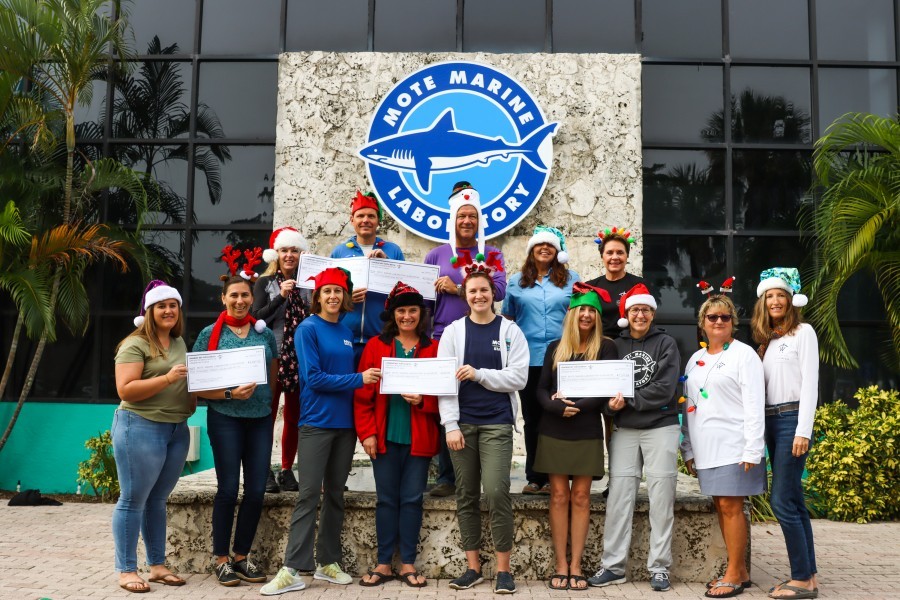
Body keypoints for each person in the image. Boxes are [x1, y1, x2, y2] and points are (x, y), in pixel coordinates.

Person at [262, 267, 381, 596]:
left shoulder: (344, 330)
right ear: (317, 296)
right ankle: (291, 568)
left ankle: (328, 562)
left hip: (346, 426)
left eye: (338, 291)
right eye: (326, 291)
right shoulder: (307, 329)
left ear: (345, 297)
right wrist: (360, 379)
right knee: (308, 495)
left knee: (335, 495)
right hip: (316, 424)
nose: (332, 296)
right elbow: (313, 378)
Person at [437, 267, 529, 594]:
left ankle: (503, 569)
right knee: (466, 495)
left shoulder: (509, 331)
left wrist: (480, 375)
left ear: (493, 294)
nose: (479, 296)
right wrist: (449, 425)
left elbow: (519, 378)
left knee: (495, 491)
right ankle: (473, 567)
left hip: (496, 423)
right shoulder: (453, 332)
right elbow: (445, 382)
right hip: (461, 425)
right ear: (465, 295)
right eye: (472, 291)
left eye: (484, 291)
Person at [192, 248, 278, 587]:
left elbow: (271, 376)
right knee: (228, 489)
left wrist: (262, 401)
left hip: (259, 419)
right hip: (225, 417)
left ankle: (242, 557)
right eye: (234, 296)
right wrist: (229, 394)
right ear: (224, 297)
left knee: (256, 491)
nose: (240, 301)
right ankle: (221, 559)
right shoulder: (209, 334)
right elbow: (197, 387)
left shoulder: (264, 333)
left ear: (251, 297)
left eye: (245, 295)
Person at [588, 284, 681, 593]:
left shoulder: (666, 343)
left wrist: (626, 400)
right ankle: (613, 567)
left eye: (645, 310)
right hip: (625, 430)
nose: (640, 315)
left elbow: (665, 389)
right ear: (626, 315)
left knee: (661, 498)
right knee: (618, 499)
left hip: (661, 427)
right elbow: (603, 389)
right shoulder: (614, 346)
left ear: (652, 313)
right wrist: (608, 405)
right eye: (635, 310)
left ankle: (659, 568)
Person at [680, 282, 765, 599]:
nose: (718, 322)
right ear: (702, 322)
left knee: (732, 507)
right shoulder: (694, 359)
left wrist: (753, 449)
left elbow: (755, 404)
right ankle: (740, 571)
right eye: (712, 317)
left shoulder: (744, 357)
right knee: (722, 506)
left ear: (733, 323)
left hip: (735, 446)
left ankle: (732, 573)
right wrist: (688, 448)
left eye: (724, 318)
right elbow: (688, 407)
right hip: (706, 448)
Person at [354, 282, 440, 588]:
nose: (407, 316)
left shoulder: (433, 349)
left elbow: (443, 396)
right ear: (393, 314)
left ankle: (406, 564)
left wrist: (424, 400)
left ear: (421, 313)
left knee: (413, 500)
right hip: (385, 437)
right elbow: (363, 396)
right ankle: (383, 563)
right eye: (401, 311)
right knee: (387, 500)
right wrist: (367, 434)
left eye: (412, 310)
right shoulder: (376, 347)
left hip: (419, 437)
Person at [425, 181, 507, 498]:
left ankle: (484, 470)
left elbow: (498, 290)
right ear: (453, 219)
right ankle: (446, 474)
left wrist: (457, 287)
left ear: (479, 220)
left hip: (483, 334)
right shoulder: (436, 254)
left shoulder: (493, 254)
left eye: (472, 216)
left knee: (479, 394)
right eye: (462, 216)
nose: (467, 222)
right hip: (444, 333)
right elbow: (424, 301)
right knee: (447, 399)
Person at [534, 282, 617, 591]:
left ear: (597, 316)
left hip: (585, 428)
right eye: (581, 309)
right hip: (555, 428)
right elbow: (541, 389)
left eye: (591, 311)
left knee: (581, 496)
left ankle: (577, 565)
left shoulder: (606, 347)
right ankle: (560, 564)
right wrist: (556, 408)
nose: (586, 315)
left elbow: (605, 389)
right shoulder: (555, 348)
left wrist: (577, 407)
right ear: (571, 314)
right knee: (558, 495)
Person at [112, 279, 191, 593]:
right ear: (149, 311)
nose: (169, 310)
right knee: (133, 501)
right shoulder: (134, 345)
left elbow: (188, 384)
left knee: (157, 500)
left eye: (173, 305)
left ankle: (157, 566)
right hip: (139, 426)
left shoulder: (179, 342)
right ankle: (126, 570)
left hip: (176, 429)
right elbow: (126, 389)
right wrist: (168, 377)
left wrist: (226, 392)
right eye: (162, 306)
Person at [750, 268, 820, 600]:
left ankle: (801, 579)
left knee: (780, 501)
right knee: (794, 500)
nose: (775, 301)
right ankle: (810, 574)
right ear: (763, 303)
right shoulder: (770, 340)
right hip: (771, 423)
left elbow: (810, 385)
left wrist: (803, 430)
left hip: (792, 419)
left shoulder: (803, 332)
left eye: (780, 295)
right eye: (769, 296)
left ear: (791, 301)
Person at [502, 225, 579, 496]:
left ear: (558, 252)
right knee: (533, 417)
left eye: (550, 245)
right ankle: (535, 477)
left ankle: (559, 475)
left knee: (560, 415)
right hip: (529, 358)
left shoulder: (573, 280)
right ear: (531, 250)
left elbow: (580, 316)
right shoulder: (515, 282)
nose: (544, 249)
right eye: (539, 245)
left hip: (563, 357)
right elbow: (508, 318)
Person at [253, 226, 311, 493]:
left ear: (301, 254)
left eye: (294, 251)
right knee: (267, 414)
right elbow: (257, 318)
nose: (289, 255)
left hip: (300, 358)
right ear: (276, 254)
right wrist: (281, 296)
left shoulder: (310, 282)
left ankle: (287, 470)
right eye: (285, 250)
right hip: (273, 357)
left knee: (294, 417)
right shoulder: (265, 283)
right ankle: (263, 469)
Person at [331, 190, 405, 364]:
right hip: (344, 335)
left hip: (382, 335)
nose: (365, 220)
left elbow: (404, 291)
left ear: (378, 221)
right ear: (352, 220)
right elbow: (327, 292)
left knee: (376, 389)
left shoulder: (393, 251)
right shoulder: (340, 252)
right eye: (360, 216)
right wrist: (346, 298)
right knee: (348, 386)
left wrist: (388, 264)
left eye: (371, 216)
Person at [586, 227, 651, 338]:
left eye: (620, 252)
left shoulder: (639, 285)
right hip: (599, 347)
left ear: (627, 256)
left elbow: (647, 319)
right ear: (602, 256)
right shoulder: (590, 287)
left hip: (631, 345)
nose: (615, 257)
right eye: (609, 253)